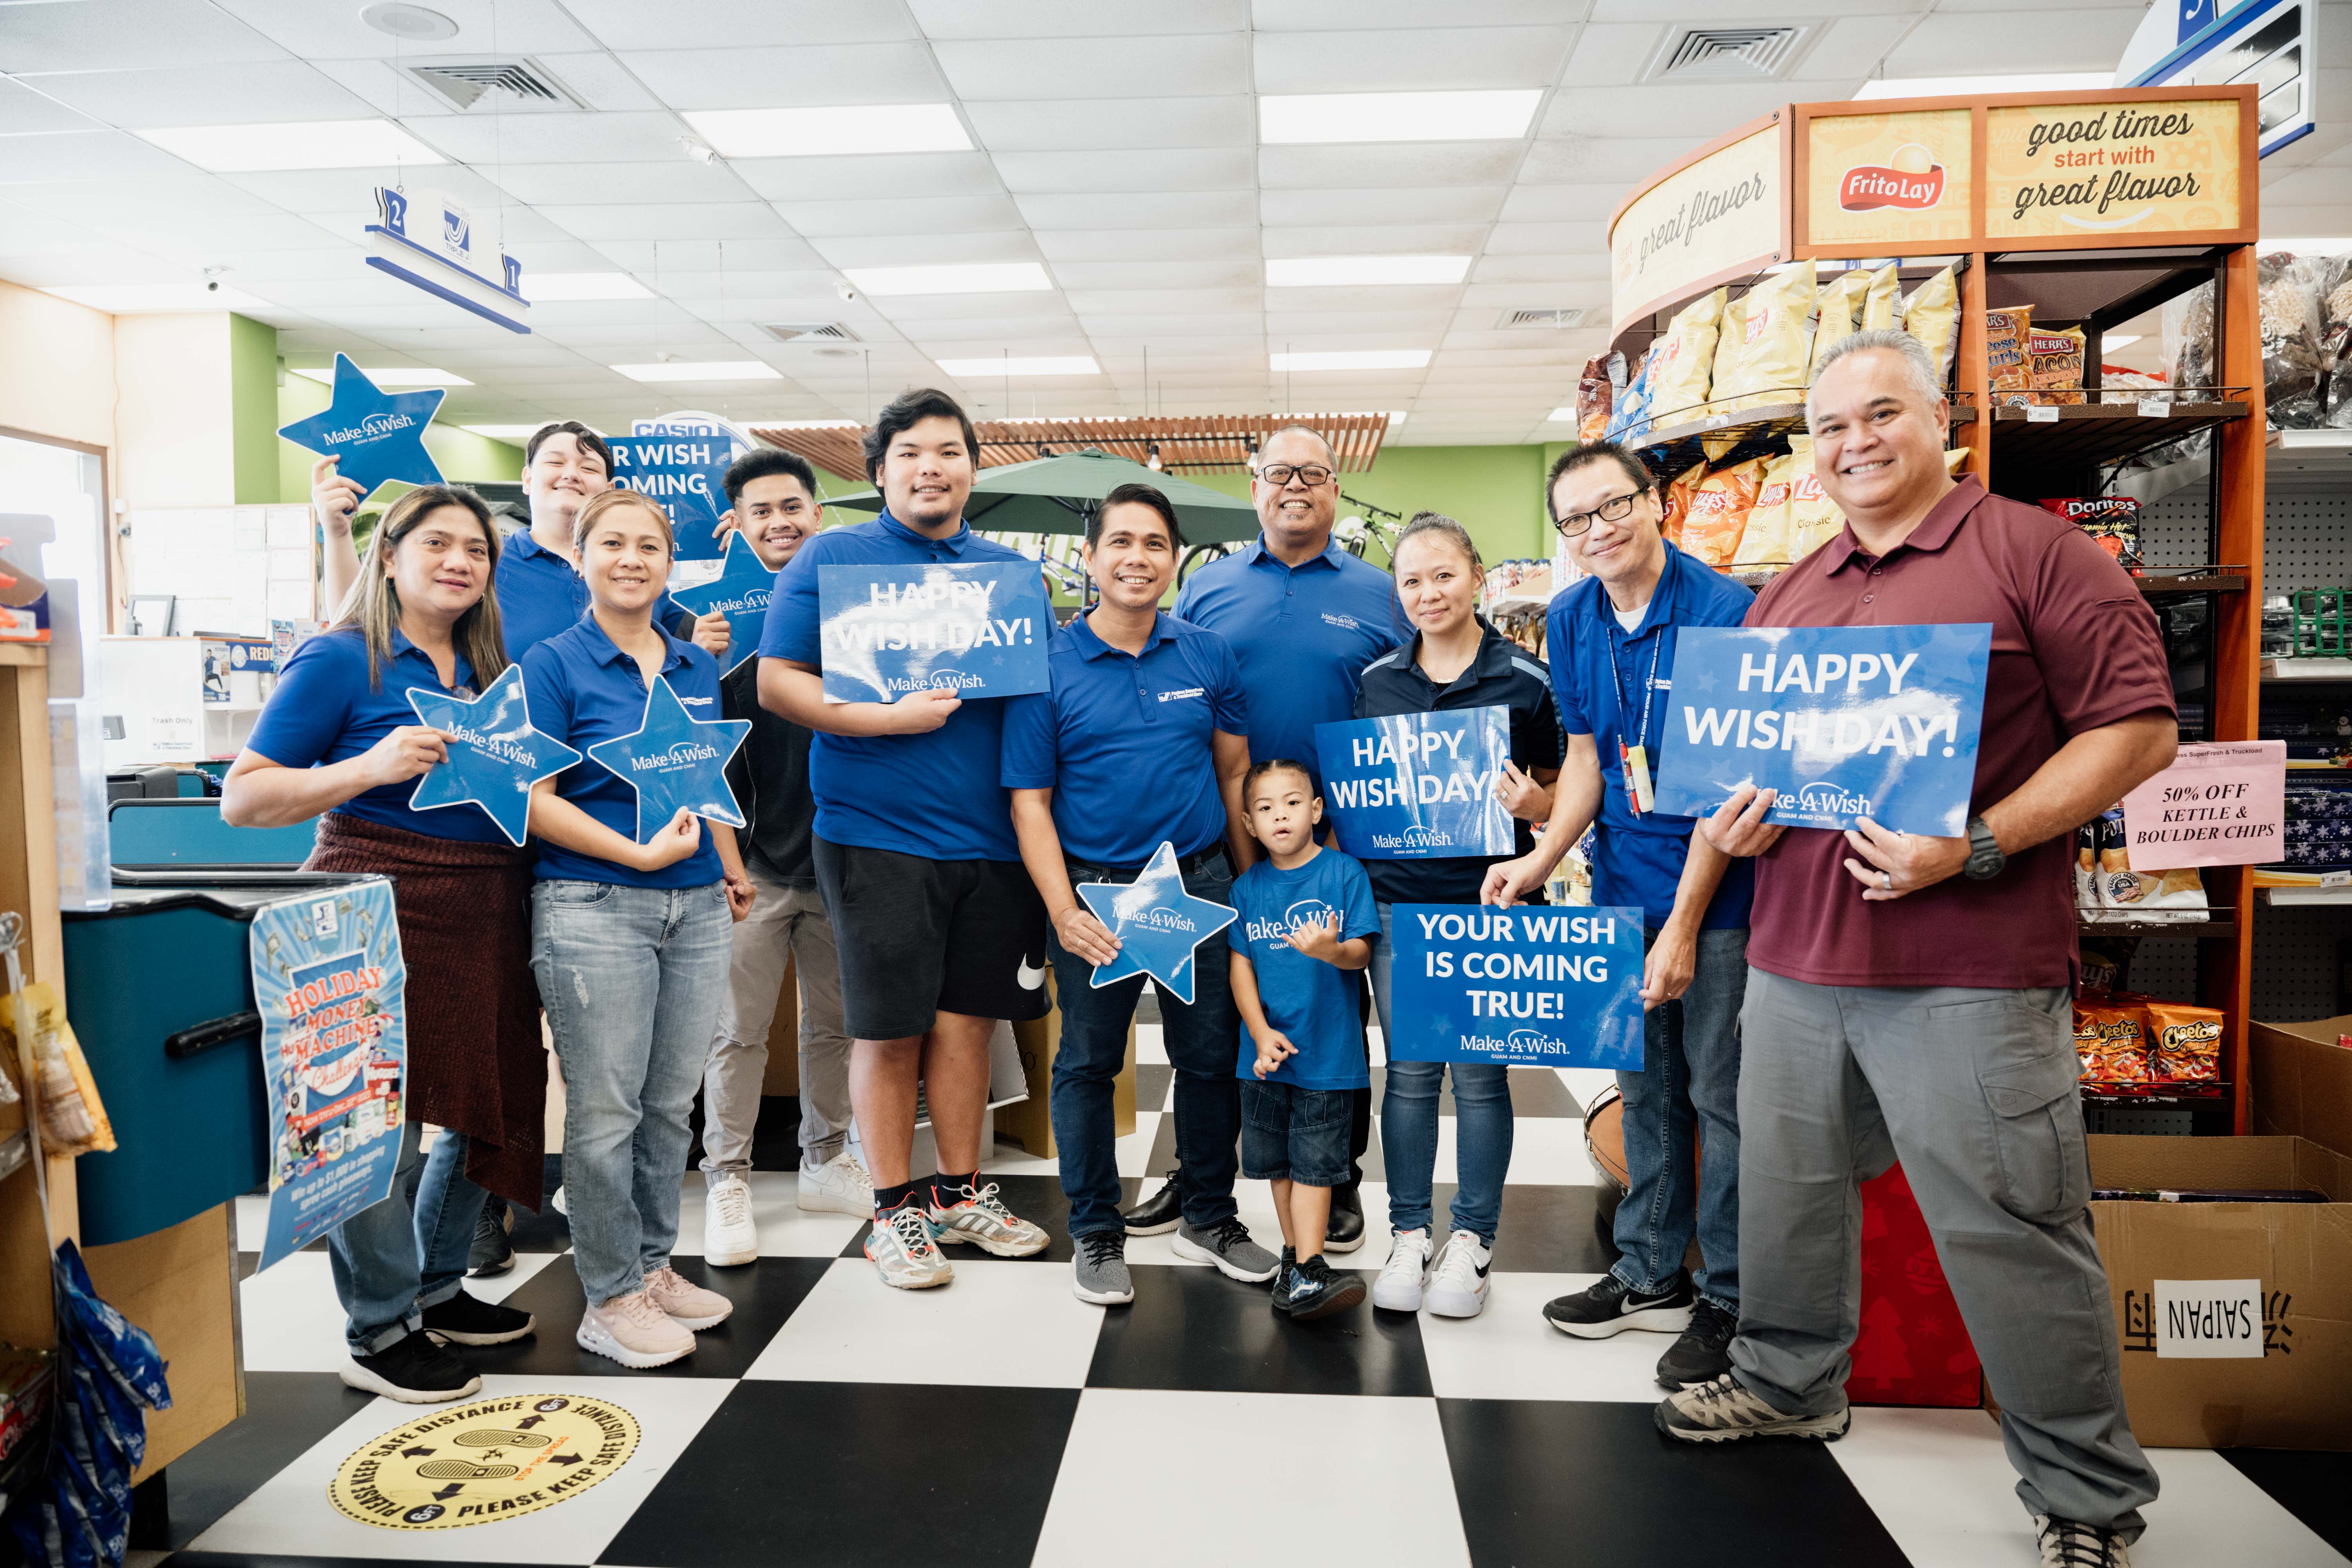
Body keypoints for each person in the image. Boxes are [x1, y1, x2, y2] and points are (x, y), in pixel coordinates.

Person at [1662, 329, 2170, 1568]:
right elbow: (1757, 768)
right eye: (1831, 428)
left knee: (2011, 1228)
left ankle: (2087, 1496)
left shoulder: (2037, 555)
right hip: (1792, 960)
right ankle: (1790, 1383)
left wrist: (1979, 844)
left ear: (1944, 421)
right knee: (1786, 1206)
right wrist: (1739, 816)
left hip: (1971, 972)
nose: (1855, 444)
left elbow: (2140, 734)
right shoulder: (1793, 589)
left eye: (1881, 415)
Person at [222, 484, 541, 1403]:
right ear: (388, 554)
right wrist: (367, 766)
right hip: (372, 906)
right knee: (379, 1123)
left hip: (484, 907)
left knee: (484, 1100)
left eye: (477, 550)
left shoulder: (488, 673)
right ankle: (380, 1326)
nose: (459, 561)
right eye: (437, 543)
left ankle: (436, 1285)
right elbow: (242, 799)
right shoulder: (340, 658)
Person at [756, 388, 1051, 1290]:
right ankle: (894, 1210)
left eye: (951, 451)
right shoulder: (833, 557)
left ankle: (962, 1192)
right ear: (880, 469)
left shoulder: (1010, 574)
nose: (933, 466)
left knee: (968, 1023)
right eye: (913, 452)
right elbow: (776, 682)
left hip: (991, 842)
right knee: (888, 1031)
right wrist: (884, 719)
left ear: (973, 466)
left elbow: (1031, 701)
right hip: (877, 834)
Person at [1481, 440, 1755, 1389]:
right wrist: (1539, 858)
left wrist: (1682, 927)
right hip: (1620, 887)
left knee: (1720, 1096)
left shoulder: (1726, 612)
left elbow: (1728, 788)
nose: (1597, 531)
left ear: (1657, 502)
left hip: (1719, 900)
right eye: (1576, 519)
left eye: (1613, 508)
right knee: (1645, 1088)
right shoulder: (1570, 616)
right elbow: (1593, 757)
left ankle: (1726, 1296)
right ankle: (1648, 1273)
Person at [1002, 483, 1276, 1305]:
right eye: (1120, 541)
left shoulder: (1207, 653)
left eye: (1155, 543)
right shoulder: (1045, 666)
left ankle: (1210, 1214)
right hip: (1095, 897)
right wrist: (1062, 910)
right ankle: (1095, 1228)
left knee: (1207, 1061)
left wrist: (1250, 885)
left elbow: (1233, 774)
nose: (1137, 557)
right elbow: (1030, 804)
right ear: (1089, 560)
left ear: (1174, 560)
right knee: (1087, 1064)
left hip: (1199, 883)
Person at [1152, 426, 1411, 1251]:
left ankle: (1335, 1173)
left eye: (1314, 473)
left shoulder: (1381, 591)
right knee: (1227, 1016)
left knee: (1340, 1003)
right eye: (1278, 473)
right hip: (1227, 839)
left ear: (1336, 488)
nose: (1295, 486)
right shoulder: (1207, 588)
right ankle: (1203, 1173)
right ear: (1253, 484)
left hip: (1349, 848)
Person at [521, 489, 747, 1368]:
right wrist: (635, 853)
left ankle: (652, 1267)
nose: (631, 558)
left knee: (667, 1102)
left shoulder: (692, 664)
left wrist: (727, 860)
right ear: (580, 559)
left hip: (694, 906)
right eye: (611, 543)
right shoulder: (551, 662)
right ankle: (608, 1295)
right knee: (606, 1108)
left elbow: (700, 774)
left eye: (649, 545)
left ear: (669, 562)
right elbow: (531, 800)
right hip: (592, 905)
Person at [1355, 513, 1561, 1321]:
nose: (1428, 592)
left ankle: (1473, 1238)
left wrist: (1535, 803)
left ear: (1476, 575)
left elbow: (1560, 789)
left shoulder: (1527, 678)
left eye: (1443, 574)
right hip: (1398, 905)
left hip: (1492, 904)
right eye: (1411, 580)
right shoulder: (1375, 682)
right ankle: (1409, 1229)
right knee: (1408, 1076)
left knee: (1480, 1079)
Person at [696, 448, 869, 1268]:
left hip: (837, 860)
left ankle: (825, 1157)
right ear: (737, 525)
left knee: (834, 1023)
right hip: (750, 868)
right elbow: (692, 761)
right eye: (761, 510)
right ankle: (726, 1175)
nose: (779, 522)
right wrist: (700, 654)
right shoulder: (708, 627)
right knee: (738, 1030)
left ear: (818, 514)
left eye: (792, 506)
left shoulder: (853, 610)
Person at [1227, 760, 1379, 1319]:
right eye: (1265, 809)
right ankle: (1295, 1265)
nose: (1280, 816)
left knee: (1316, 1163)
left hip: (1328, 1055)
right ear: (1248, 823)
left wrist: (1331, 952)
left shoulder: (1344, 875)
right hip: (1264, 1058)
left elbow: (1361, 951)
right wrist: (1260, 1033)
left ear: (1316, 810)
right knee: (1280, 1165)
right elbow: (1240, 969)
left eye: (1292, 803)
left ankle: (1312, 1265)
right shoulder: (1246, 889)